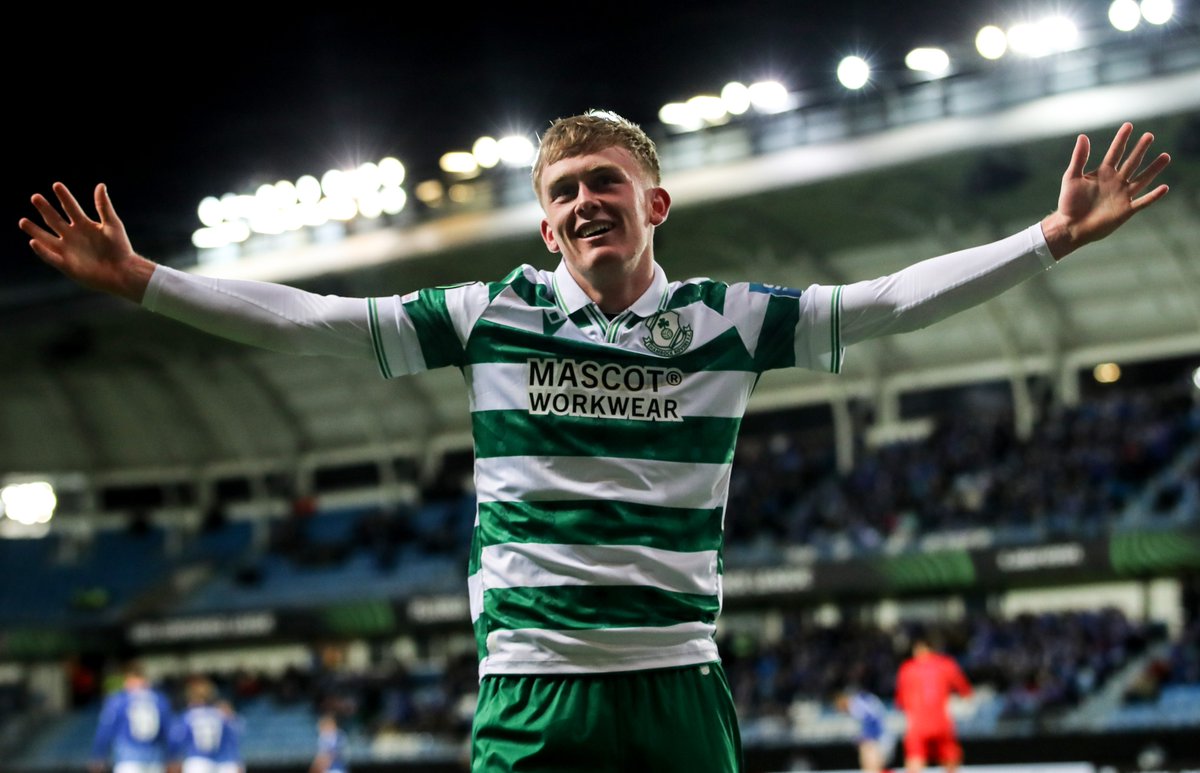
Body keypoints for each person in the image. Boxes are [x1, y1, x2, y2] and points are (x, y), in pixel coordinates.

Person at [23, 111, 1170, 772]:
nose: (584, 203)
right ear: (544, 219)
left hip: (680, 685)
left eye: (605, 183)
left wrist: (1048, 237)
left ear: (653, 202)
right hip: (534, 686)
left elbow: (887, 302)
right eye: (564, 190)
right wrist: (142, 282)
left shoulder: (728, 318)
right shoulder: (490, 316)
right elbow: (318, 323)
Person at [894, 634, 973, 773]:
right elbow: (965, 692)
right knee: (950, 759)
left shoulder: (907, 669)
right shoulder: (946, 664)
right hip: (941, 723)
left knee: (915, 760)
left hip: (917, 725)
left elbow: (899, 702)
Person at [89, 661, 174, 773]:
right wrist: (172, 756)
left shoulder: (119, 700)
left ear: (129, 679)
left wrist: (98, 755)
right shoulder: (160, 700)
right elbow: (170, 732)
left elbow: (105, 731)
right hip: (155, 760)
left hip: (128, 759)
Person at [167, 677, 239, 773]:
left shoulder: (188, 716)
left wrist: (173, 759)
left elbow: (175, 740)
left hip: (197, 762)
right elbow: (232, 739)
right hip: (222, 762)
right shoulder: (221, 715)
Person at [836, 686, 891, 773]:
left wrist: (865, 738)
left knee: (871, 767)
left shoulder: (856, 704)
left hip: (879, 738)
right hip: (881, 736)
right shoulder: (859, 700)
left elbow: (872, 719)